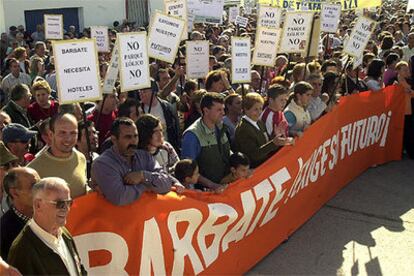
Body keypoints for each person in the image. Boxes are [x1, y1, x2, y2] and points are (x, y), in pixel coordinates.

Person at [7, 177, 87, 275]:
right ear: (38, 205)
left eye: (69, 203)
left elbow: (79, 269)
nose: (66, 209)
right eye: (60, 204)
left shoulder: (64, 233)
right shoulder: (22, 251)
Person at [91, 117, 175, 206]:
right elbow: (120, 197)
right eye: (128, 137)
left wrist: (143, 176)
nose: (133, 141)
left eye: (136, 136)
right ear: (114, 140)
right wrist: (147, 186)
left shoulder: (145, 156)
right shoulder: (103, 164)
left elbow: (166, 183)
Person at [27, 113, 87, 198]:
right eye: (62, 133)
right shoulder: (34, 169)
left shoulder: (81, 158)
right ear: (51, 135)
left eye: (73, 133)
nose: (68, 139)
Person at [182, 93, 230, 191]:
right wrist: (212, 185)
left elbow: (226, 153)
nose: (223, 113)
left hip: (225, 186)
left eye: (223, 109)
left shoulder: (221, 127)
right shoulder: (192, 135)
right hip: (206, 193)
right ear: (206, 111)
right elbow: (188, 170)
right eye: (219, 110)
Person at [234, 93, 290, 168]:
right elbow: (254, 155)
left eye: (260, 108)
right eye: (255, 109)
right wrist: (274, 142)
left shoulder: (259, 122)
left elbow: (266, 143)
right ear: (246, 109)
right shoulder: (243, 129)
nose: (259, 112)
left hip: (266, 164)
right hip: (256, 169)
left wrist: (277, 137)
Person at [1, 167, 40, 260]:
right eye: (34, 186)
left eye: (41, 184)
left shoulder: (50, 216)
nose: (41, 190)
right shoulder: (5, 231)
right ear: (15, 193)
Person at [138, 84, 181, 151]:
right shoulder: (138, 109)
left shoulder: (167, 107)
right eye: (140, 91)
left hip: (167, 150)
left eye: (144, 91)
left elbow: (176, 129)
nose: (141, 94)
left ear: (154, 92)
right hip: (148, 151)